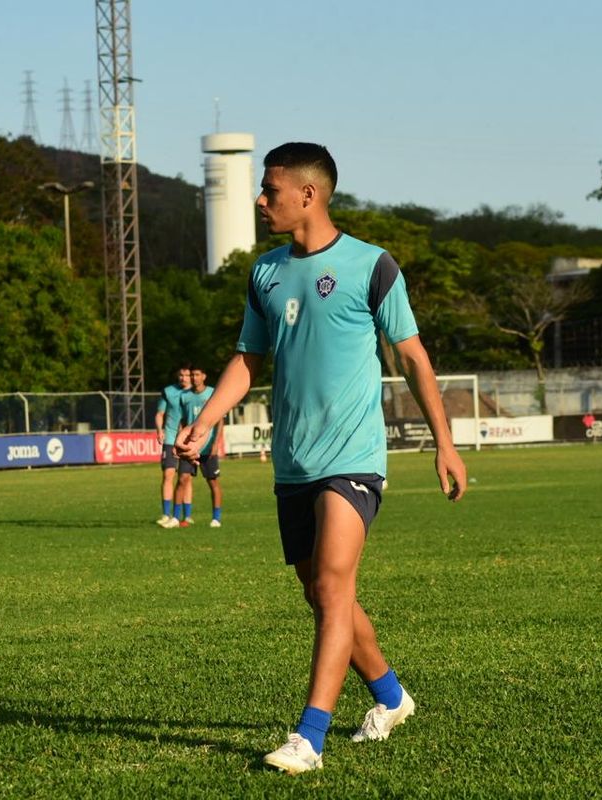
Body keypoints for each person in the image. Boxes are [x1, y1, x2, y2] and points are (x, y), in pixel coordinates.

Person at [176, 142, 466, 774]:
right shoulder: (265, 273)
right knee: (320, 592)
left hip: (353, 458)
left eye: (270, 189)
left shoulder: (373, 266)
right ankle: (390, 696)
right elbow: (249, 360)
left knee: (334, 585)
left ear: (308, 194)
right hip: (293, 462)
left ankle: (309, 737)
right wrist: (204, 420)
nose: (260, 199)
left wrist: (444, 442)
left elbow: (413, 356)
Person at [177, 365, 224, 528]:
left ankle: (216, 518)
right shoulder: (184, 396)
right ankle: (180, 517)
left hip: (207, 447)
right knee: (182, 479)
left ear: (204, 376)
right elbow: (182, 421)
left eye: (197, 374)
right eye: (192, 375)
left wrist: (215, 444)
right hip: (189, 447)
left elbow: (219, 420)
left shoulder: (212, 393)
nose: (193, 377)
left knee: (213, 482)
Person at [154, 364, 194, 527]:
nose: (183, 378)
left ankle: (187, 515)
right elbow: (160, 413)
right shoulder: (169, 392)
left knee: (186, 478)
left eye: (186, 375)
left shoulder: (195, 393)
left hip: (187, 441)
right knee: (168, 475)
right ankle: (166, 514)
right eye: (181, 375)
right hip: (170, 439)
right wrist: (159, 430)